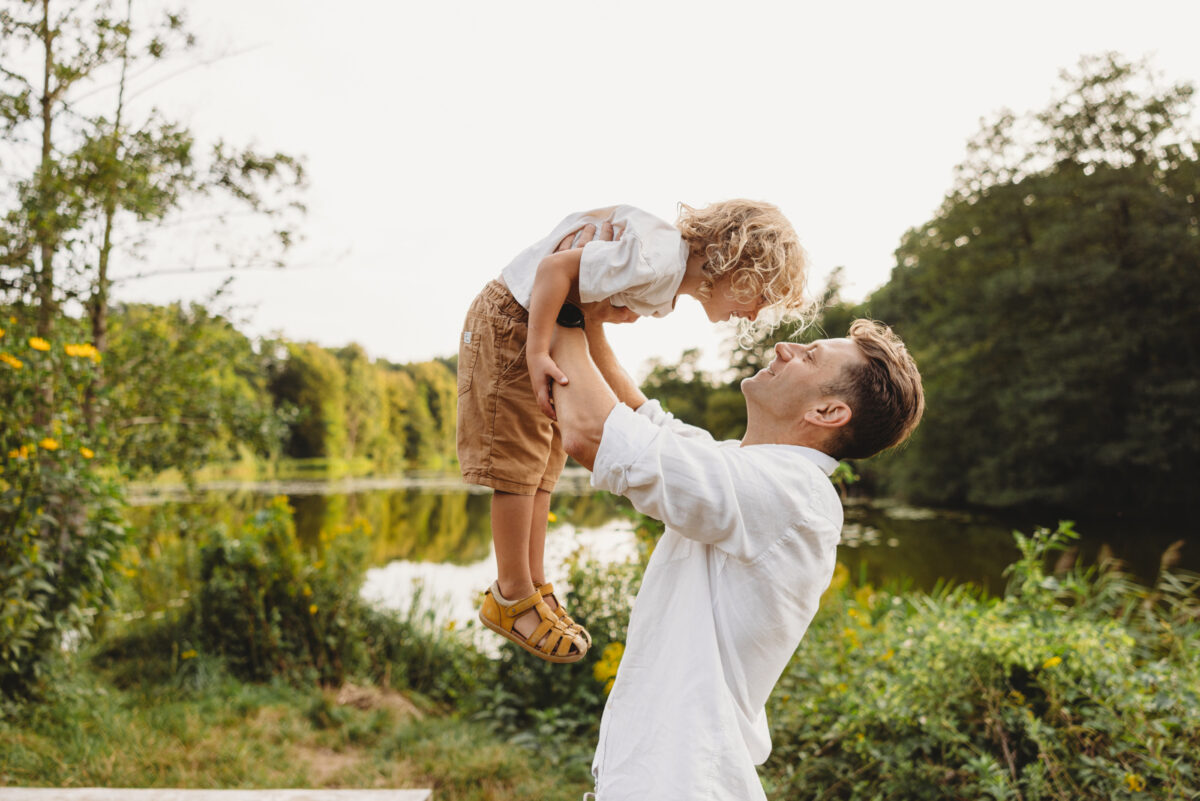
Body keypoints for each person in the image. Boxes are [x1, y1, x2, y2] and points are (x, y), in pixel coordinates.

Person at [548, 294, 925, 799]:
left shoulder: (795, 494)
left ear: (829, 411)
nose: (785, 347)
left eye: (809, 356)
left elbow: (593, 433)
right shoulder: (749, 471)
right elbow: (637, 416)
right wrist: (587, 316)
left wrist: (559, 311)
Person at [458, 201, 808, 662]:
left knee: (544, 468)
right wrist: (537, 350)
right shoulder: (659, 258)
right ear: (738, 265)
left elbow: (584, 297)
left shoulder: (663, 278)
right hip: (514, 320)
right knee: (517, 468)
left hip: (534, 321)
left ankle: (535, 585)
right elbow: (553, 269)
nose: (756, 313)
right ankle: (510, 593)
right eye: (761, 295)